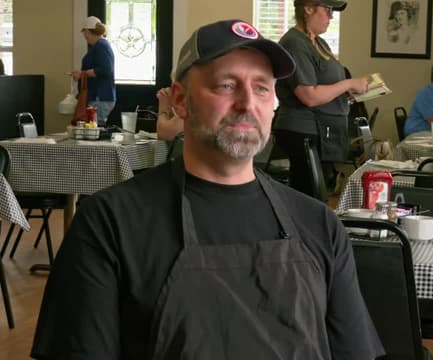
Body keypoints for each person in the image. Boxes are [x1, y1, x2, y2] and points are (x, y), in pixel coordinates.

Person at [31, 19, 383, 359]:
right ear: (181, 101)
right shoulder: (108, 225)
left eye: (262, 87)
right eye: (226, 85)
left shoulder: (320, 224)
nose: (248, 103)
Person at [273, 0, 369, 197]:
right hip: (304, 131)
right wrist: (349, 84)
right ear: (308, 8)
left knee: (319, 196)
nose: (331, 16)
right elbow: (309, 95)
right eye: (327, 10)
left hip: (322, 131)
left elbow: (326, 84)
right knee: (310, 197)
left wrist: (346, 92)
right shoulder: (295, 43)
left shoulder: (318, 42)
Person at [71, 16, 116, 126]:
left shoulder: (101, 46)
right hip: (100, 96)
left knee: (95, 128)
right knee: (94, 127)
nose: (85, 36)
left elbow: (105, 69)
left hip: (99, 97)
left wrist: (83, 74)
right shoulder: (100, 46)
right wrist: (82, 75)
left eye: (85, 32)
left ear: (88, 31)